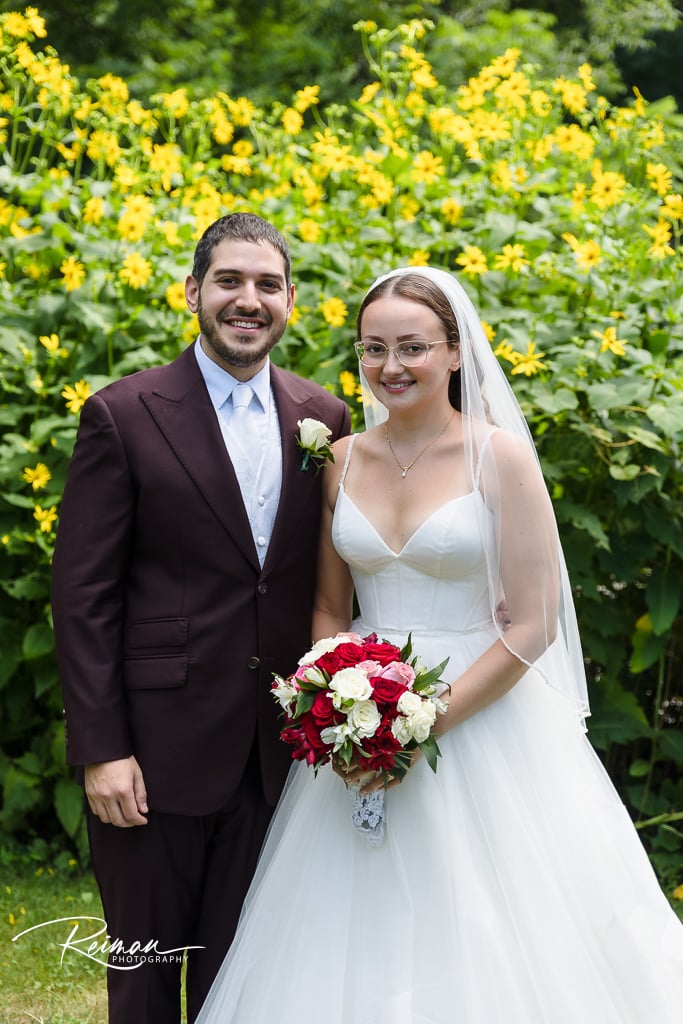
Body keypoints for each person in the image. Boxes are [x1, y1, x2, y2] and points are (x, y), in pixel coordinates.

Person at [195, 266, 683, 1023]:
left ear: (454, 353)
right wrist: (334, 705)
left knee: (499, 921)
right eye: (373, 348)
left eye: (412, 347)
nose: (390, 366)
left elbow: (532, 624)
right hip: (356, 714)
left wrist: (421, 722)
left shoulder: (499, 458)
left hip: (483, 715)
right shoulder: (341, 460)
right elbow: (330, 606)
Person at [50, 212, 351, 1024]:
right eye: (229, 281)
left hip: (276, 756)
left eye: (266, 285)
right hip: (154, 754)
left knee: (250, 979)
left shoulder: (324, 418)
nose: (247, 300)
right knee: (146, 977)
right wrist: (103, 749)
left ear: (290, 300)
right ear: (193, 292)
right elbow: (83, 596)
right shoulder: (122, 413)